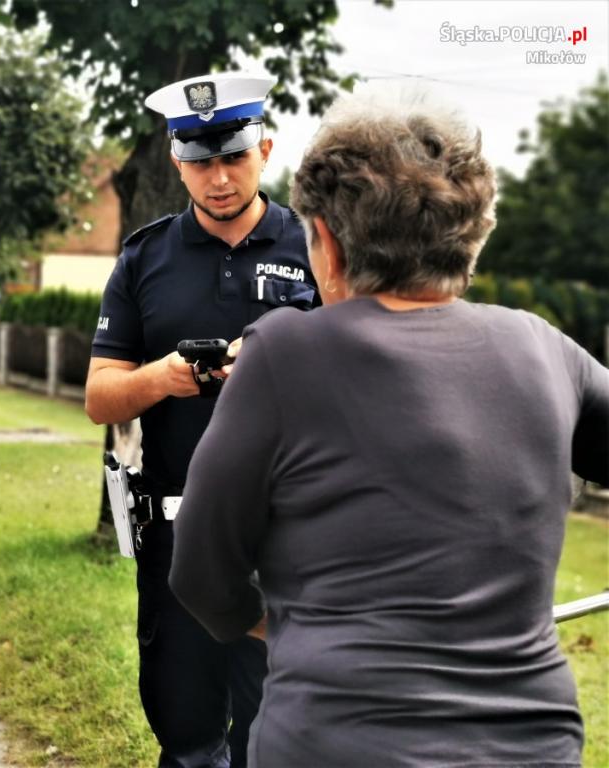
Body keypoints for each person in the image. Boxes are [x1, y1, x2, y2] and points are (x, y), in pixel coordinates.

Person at [169, 82, 609, 766]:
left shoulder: (284, 351)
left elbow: (201, 573)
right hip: (533, 747)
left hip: (338, 744)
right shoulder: (546, 349)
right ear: (474, 233)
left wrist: (290, 627)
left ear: (326, 243)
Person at [86, 72, 318, 767]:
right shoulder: (144, 256)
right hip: (177, 535)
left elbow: (365, 375)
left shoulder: (316, 247)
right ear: (176, 162)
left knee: (275, 735)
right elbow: (100, 397)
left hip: (285, 534)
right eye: (199, 160)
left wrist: (276, 366)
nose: (218, 178)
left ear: (265, 150)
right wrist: (163, 377)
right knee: (185, 735)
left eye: (234, 157)